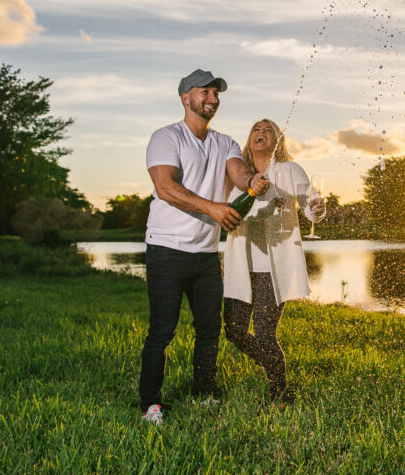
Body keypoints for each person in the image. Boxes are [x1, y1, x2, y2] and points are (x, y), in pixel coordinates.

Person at [139, 69, 269, 426]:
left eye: (216, 93)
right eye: (205, 92)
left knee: (209, 329)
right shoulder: (167, 137)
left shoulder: (224, 142)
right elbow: (165, 187)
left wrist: (253, 181)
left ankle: (204, 392)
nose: (212, 98)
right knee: (162, 331)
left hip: (207, 254)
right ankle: (151, 404)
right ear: (186, 98)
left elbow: (239, 176)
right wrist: (213, 208)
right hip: (167, 248)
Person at [222, 119, 325, 403]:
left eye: (269, 130)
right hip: (240, 262)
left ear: (278, 139)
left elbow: (310, 206)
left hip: (274, 267)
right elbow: (228, 211)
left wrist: (317, 210)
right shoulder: (236, 172)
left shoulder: (290, 170)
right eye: (256, 129)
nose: (262, 133)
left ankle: (280, 392)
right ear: (249, 138)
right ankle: (270, 362)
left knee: (265, 332)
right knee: (234, 330)